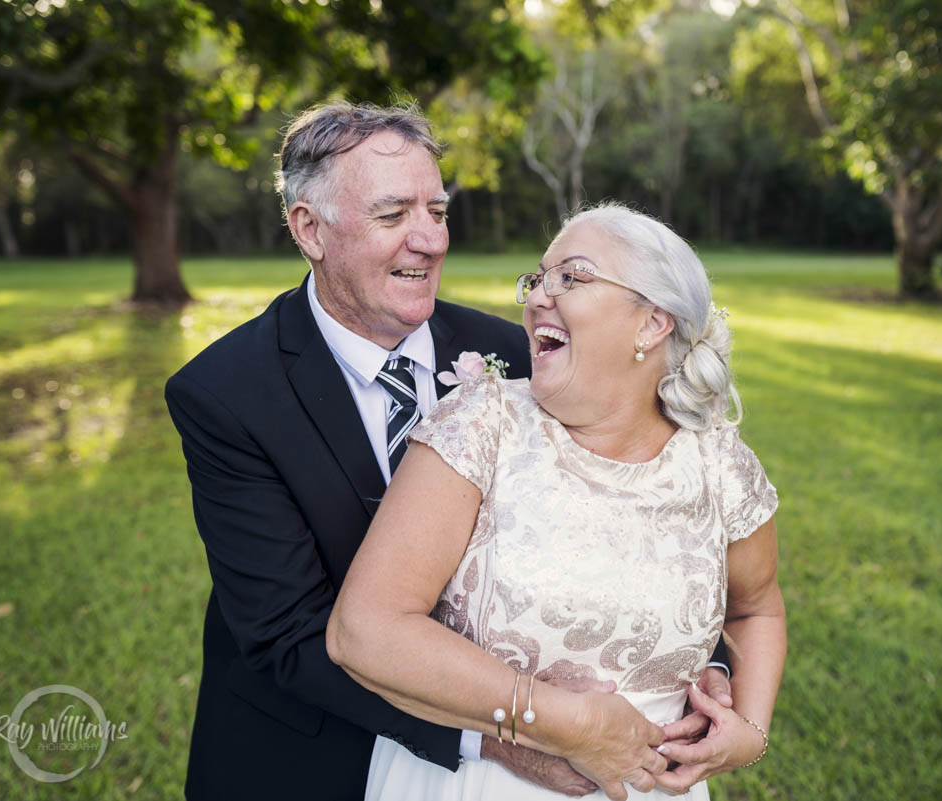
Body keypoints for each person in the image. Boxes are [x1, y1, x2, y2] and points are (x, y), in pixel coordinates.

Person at [165, 102, 730, 801]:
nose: (429, 240)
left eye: (436, 211)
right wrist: (506, 734)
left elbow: (640, 507)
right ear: (309, 228)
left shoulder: (518, 353)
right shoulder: (225, 393)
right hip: (308, 754)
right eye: (393, 214)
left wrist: (706, 673)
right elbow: (288, 634)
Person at [326, 202, 787, 801]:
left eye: (571, 276)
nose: (540, 294)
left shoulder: (722, 467)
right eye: (538, 278)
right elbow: (366, 630)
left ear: (652, 323)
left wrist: (749, 728)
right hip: (474, 783)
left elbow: (755, 610)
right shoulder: (480, 424)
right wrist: (562, 725)